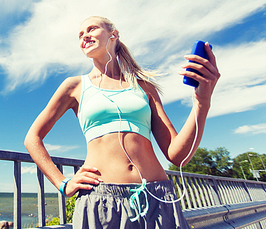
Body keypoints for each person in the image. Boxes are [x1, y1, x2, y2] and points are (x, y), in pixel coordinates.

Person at [24, 16, 220, 228]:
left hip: (158, 198)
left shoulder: (144, 87)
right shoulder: (74, 86)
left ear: (113, 35)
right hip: (101, 199)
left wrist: (202, 102)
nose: (84, 36)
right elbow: (32, 138)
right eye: (80, 35)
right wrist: (63, 183)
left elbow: (177, 155)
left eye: (91, 29)